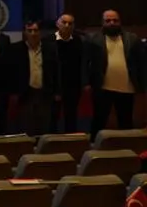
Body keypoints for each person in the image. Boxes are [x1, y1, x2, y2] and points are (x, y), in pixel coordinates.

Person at [87, 8, 144, 137]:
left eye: (115, 20)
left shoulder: (132, 38)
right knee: (99, 121)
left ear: (120, 22)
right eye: (108, 20)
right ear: (102, 23)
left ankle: (126, 147)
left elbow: (141, 63)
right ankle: (94, 146)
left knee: (126, 122)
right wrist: (86, 82)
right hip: (102, 88)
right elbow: (86, 62)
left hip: (126, 88)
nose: (112, 23)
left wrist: (142, 84)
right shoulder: (93, 39)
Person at [13, 20, 60, 135]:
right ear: (25, 32)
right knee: (26, 128)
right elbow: (11, 73)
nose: (33, 33)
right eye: (29, 31)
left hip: (45, 93)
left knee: (44, 127)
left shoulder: (49, 49)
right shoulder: (16, 49)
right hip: (25, 93)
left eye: (35, 30)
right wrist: (14, 92)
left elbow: (56, 71)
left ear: (40, 32)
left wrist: (57, 91)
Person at [49, 13, 84, 133]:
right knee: (52, 117)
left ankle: (70, 140)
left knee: (71, 116)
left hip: (73, 86)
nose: (67, 25)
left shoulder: (78, 41)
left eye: (70, 23)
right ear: (57, 24)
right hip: (54, 85)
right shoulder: (48, 41)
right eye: (64, 22)